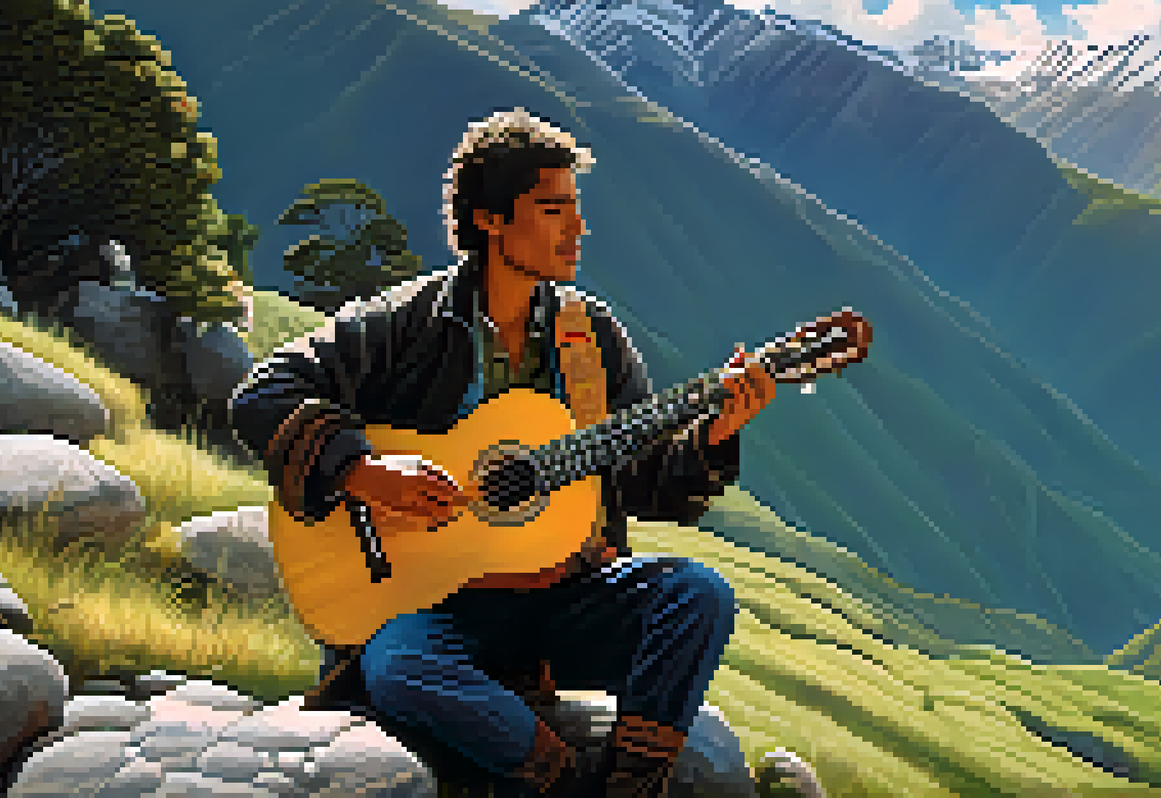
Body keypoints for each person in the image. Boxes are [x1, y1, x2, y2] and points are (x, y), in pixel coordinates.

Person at [229, 108, 776, 798]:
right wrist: (363, 470)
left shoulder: (591, 337)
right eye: (553, 209)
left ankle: (629, 787)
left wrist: (715, 435)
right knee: (397, 668)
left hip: (568, 597)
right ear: (488, 218)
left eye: (575, 207)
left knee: (698, 595)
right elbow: (261, 393)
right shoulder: (407, 322)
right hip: (440, 604)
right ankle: (562, 780)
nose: (577, 228)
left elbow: (643, 482)